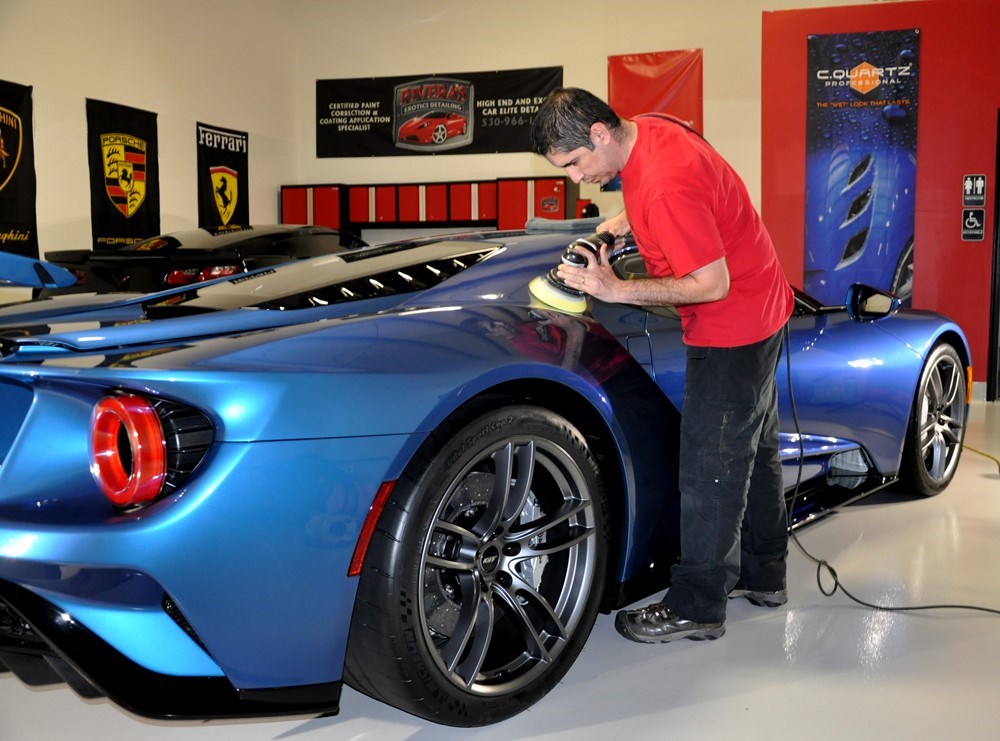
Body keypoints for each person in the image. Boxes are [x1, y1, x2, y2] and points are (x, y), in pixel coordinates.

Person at [530, 87, 794, 644]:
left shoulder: (664, 184)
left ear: (599, 133)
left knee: (709, 469)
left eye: (575, 163)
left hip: (732, 323)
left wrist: (614, 289)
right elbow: (687, 193)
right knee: (755, 449)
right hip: (767, 300)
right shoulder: (648, 127)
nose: (577, 179)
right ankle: (764, 574)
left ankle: (698, 605)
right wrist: (623, 221)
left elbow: (710, 284)